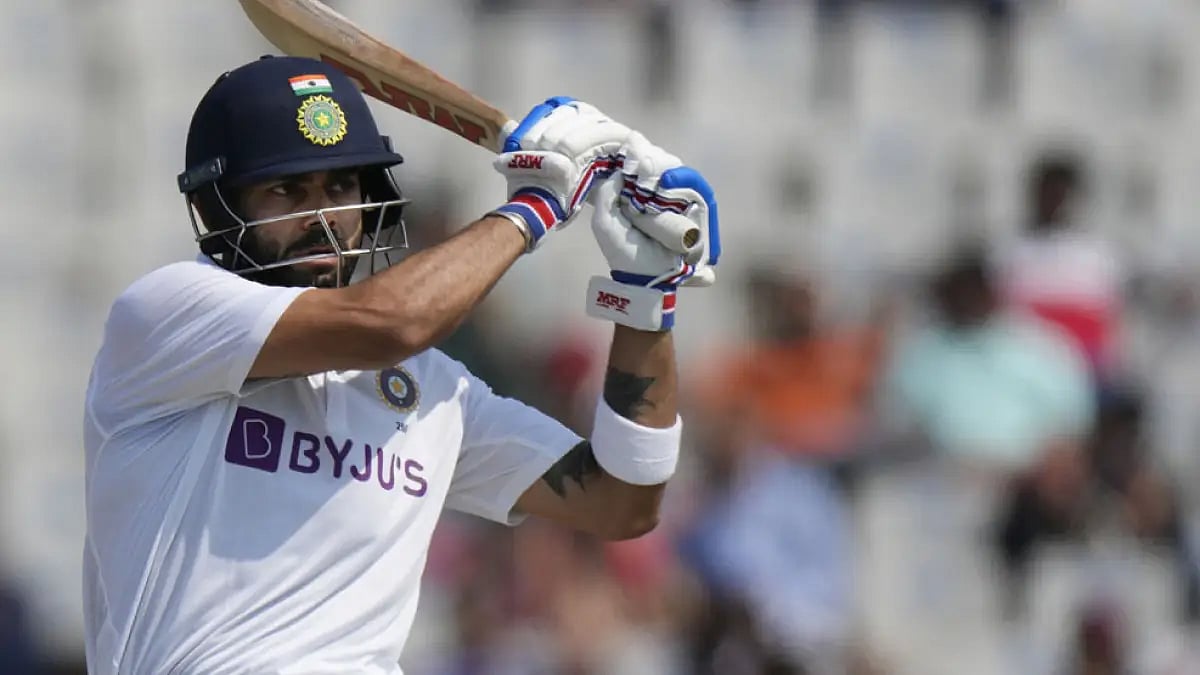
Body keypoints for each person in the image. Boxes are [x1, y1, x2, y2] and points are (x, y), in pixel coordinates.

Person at [81, 55, 719, 674]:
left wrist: (645, 302)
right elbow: (391, 322)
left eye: (340, 186)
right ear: (221, 209)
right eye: (286, 190)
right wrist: (537, 206)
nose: (324, 216)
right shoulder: (166, 315)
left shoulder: (432, 390)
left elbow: (622, 504)